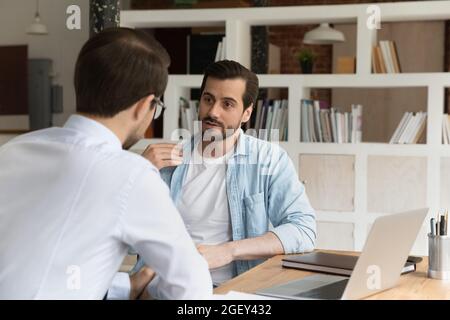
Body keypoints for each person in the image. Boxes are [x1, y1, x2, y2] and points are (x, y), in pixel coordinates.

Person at [0, 27, 212, 300]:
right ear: (144, 106)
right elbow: (193, 290)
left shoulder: (14, 149)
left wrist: (127, 287)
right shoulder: (130, 174)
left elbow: (32, 262)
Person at [133, 60, 317, 292]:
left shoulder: (269, 159)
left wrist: (228, 251)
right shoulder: (167, 161)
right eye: (208, 99)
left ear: (247, 113)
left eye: (227, 104)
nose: (212, 112)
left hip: (236, 289)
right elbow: (126, 239)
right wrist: (140, 172)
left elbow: (304, 230)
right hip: (164, 288)